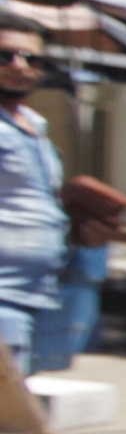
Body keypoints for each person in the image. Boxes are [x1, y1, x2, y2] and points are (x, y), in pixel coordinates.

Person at [0, 26, 68, 373]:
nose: (19, 66)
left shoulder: (35, 127)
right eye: (5, 56)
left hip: (37, 293)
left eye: (31, 59)